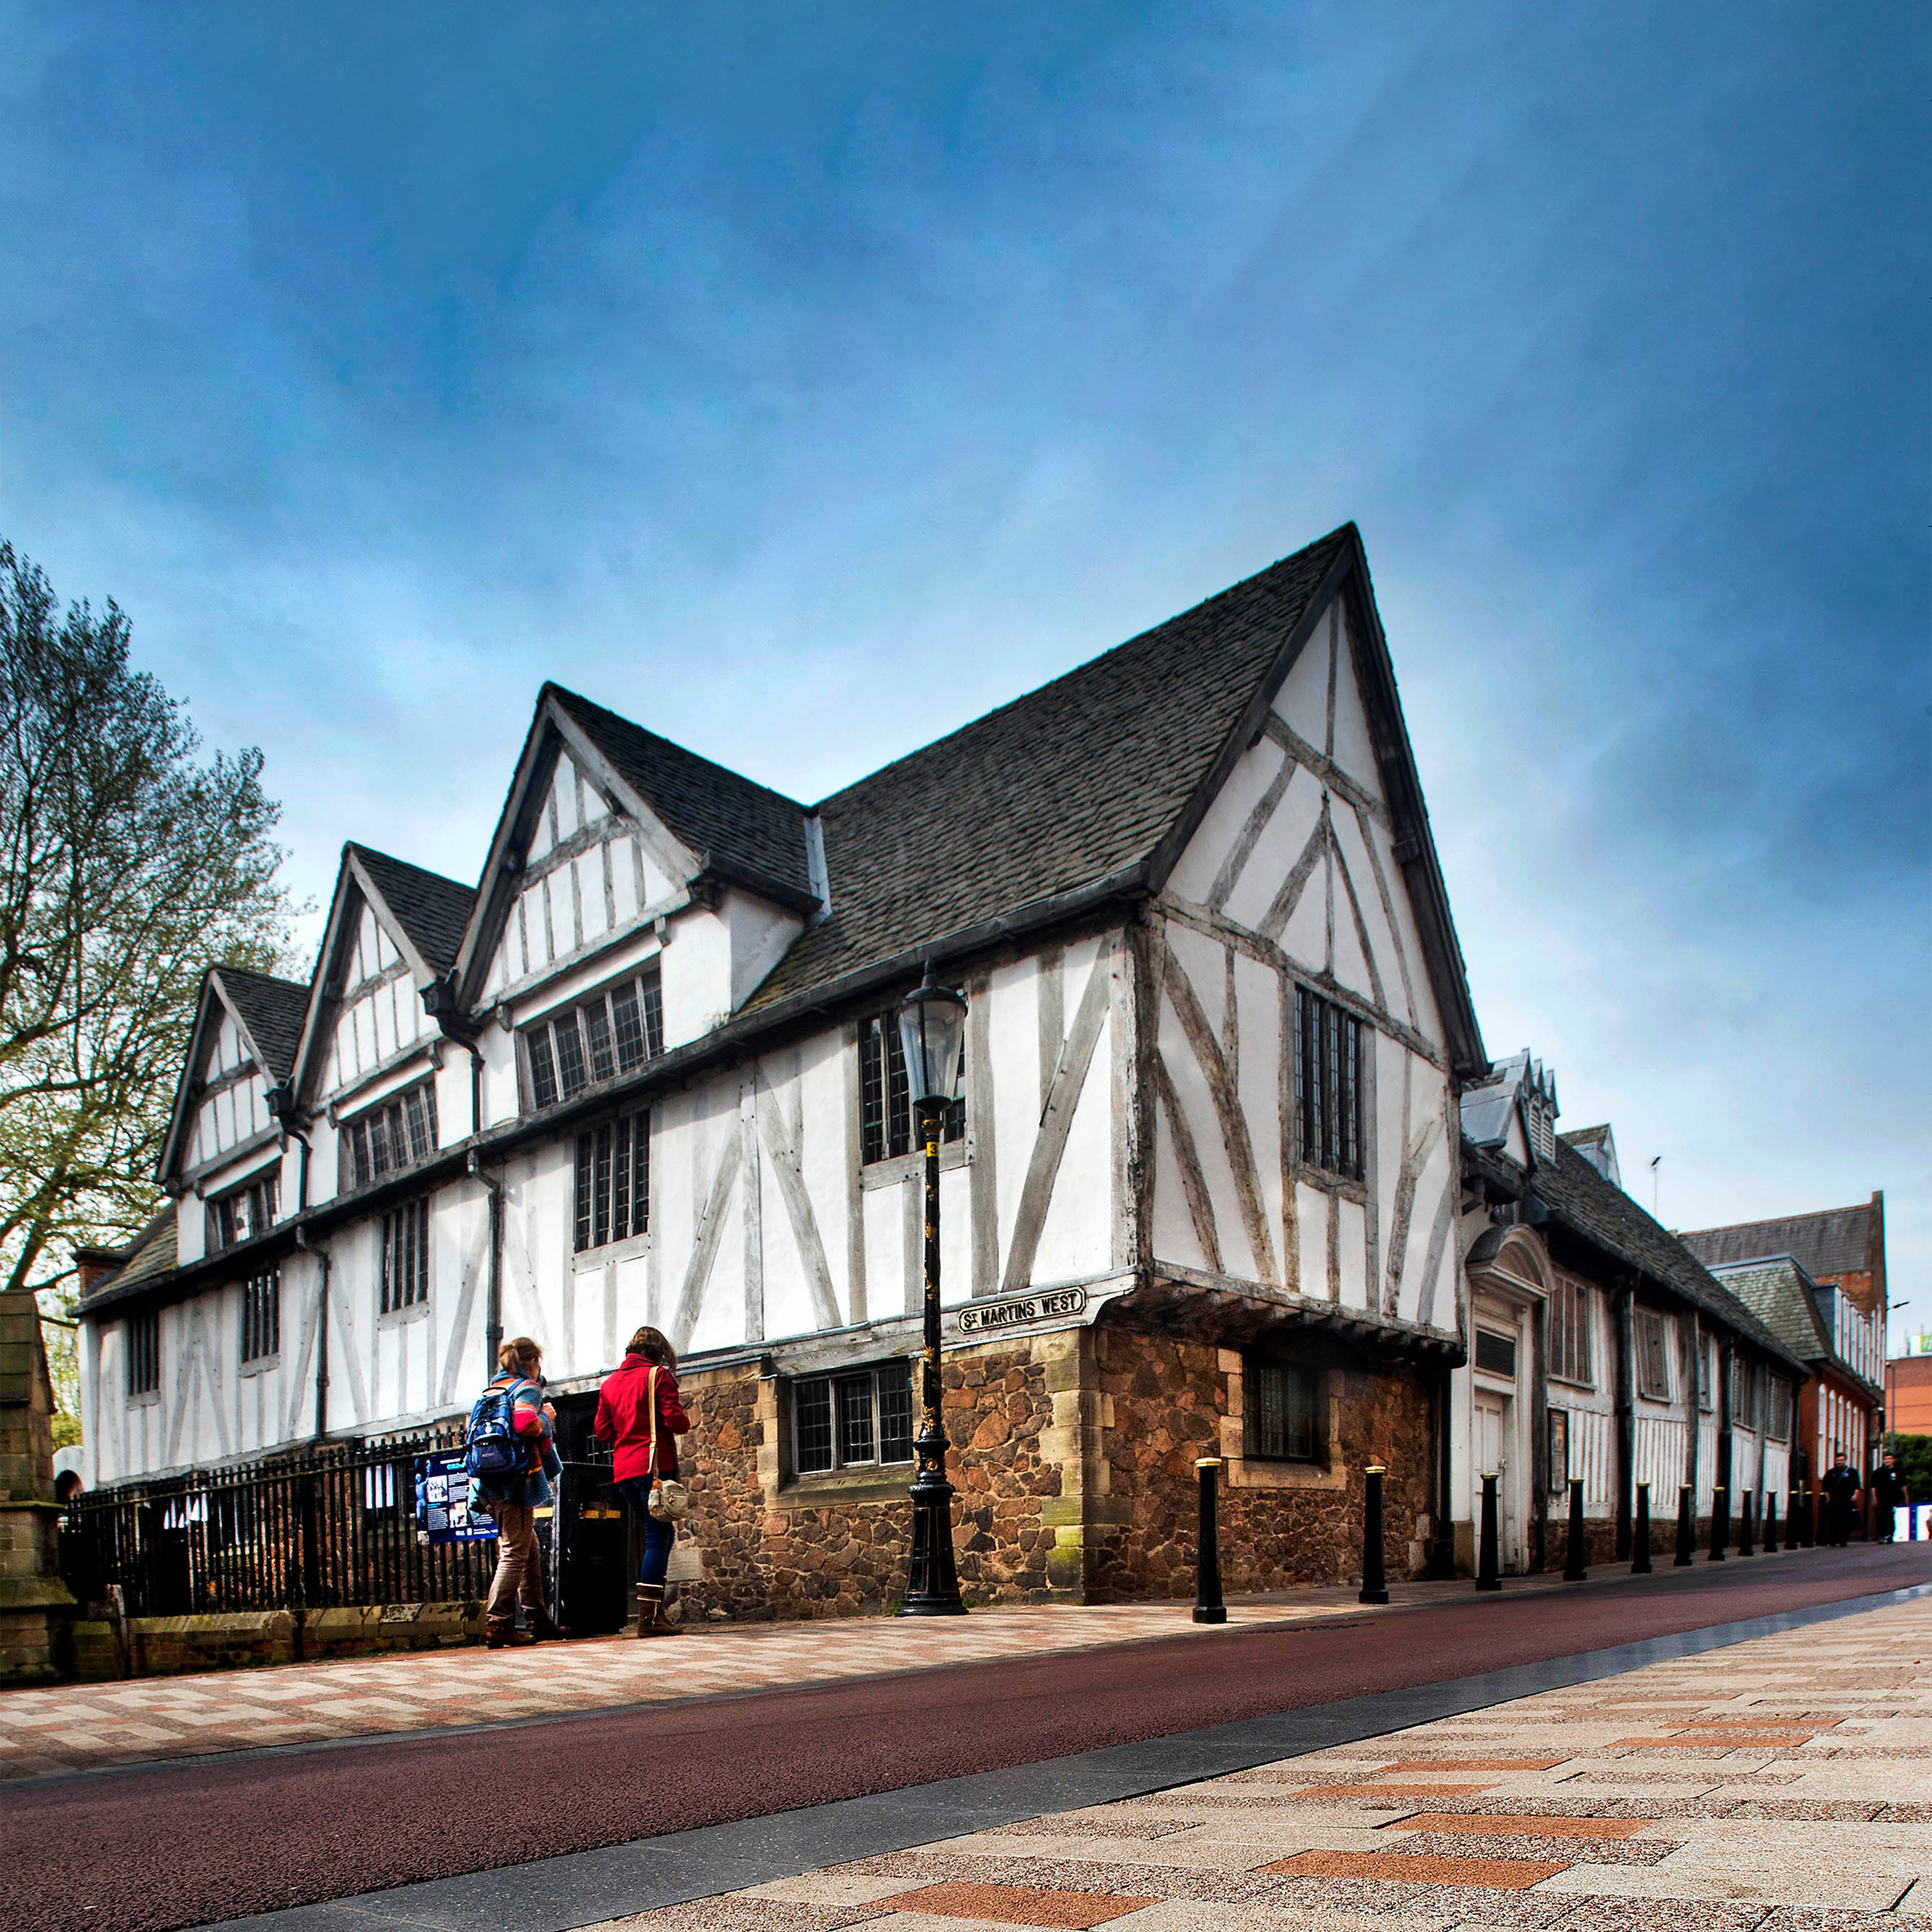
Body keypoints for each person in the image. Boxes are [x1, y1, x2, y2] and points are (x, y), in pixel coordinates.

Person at [469, 1336, 568, 1648]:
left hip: (488, 1482)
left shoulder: (492, 1391)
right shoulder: (526, 1389)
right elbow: (526, 1424)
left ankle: (538, 1619)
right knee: (514, 1552)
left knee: (529, 1548)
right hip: (513, 1483)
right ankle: (498, 1623)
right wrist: (547, 1417)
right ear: (533, 1362)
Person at [595, 1325, 692, 1638]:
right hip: (654, 1469)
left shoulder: (609, 1384)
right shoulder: (657, 1376)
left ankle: (654, 1613)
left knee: (654, 1537)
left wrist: (628, 1429)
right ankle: (649, 1620)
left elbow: (602, 1432)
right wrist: (683, 1420)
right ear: (658, 1353)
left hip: (624, 1472)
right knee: (658, 1538)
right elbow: (675, 1421)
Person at [1819, 1452, 1862, 1549]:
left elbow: (1857, 1486)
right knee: (1833, 1521)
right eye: (1838, 1460)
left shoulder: (1852, 1472)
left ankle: (1844, 1540)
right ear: (1835, 1461)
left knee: (1846, 1521)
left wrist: (1855, 1496)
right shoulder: (1831, 1473)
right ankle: (1833, 1540)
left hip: (1847, 1501)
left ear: (1845, 1460)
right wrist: (1828, 1499)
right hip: (1834, 1500)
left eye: (1842, 1460)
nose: (1839, 1462)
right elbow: (1825, 1487)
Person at [1873, 1451, 1911, 1544]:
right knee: (1881, 1517)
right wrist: (1874, 1498)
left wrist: (1906, 1497)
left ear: (1893, 1460)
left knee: (1890, 1516)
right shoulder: (1878, 1472)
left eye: (1889, 1459)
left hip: (1893, 1498)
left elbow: (1903, 1485)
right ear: (1883, 1461)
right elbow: (1873, 1486)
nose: (1887, 1461)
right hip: (1881, 1498)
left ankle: (1890, 1534)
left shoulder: (1899, 1472)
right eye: (1885, 1459)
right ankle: (1882, 1535)